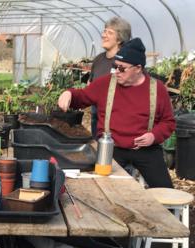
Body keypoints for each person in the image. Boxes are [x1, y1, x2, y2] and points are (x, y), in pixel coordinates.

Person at [58, 38, 175, 188]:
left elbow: (168, 122)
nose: (116, 72)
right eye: (115, 66)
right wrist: (69, 94)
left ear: (138, 68)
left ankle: (167, 212)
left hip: (146, 150)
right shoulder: (106, 83)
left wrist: (154, 136)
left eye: (122, 68)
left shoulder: (157, 89)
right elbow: (81, 97)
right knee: (101, 188)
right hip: (112, 148)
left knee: (165, 191)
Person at [89, 17, 131, 138]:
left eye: (109, 33)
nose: (104, 35)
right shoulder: (98, 60)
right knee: (97, 148)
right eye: (104, 31)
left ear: (119, 39)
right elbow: (91, 84)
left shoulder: (126, 61)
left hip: (116, 119)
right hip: (96, 116)